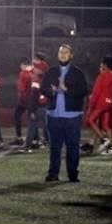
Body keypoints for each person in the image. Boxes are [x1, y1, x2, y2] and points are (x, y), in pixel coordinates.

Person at [40, 44, 88, 183]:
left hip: (72, 117)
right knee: (55, 147)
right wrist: (53, 91)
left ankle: (73, 174)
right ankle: (53, 173)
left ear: (71, 55)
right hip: (53, 116)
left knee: (72, 147)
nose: (63, 54)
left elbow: (83, 91)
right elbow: (43, 89)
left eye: (66, 52)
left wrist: (66, 89)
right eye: (61, 52)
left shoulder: (78, 73)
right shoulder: (51, 71)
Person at [87, 55, 112, 155]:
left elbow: (96, 92)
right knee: (107, 125)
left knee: (91, 120)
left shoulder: (103, 76)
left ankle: (104, 140)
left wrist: (91, 106)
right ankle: (110, 147)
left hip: (102, 104)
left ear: (104, 65)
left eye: (101, 63)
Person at [23, 57, 50, 153]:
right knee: (48, 127)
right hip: (46, 106)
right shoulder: (48, 80)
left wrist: (31, 110)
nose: (35, 69)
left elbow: (33, 97)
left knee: (32, 127)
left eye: (37, 68)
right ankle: (54, 146)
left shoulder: (36, 80)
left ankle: (27, 146)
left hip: (38, 107)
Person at [13, 57, 32, 145]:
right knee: (32, 120)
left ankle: (19, 137)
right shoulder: (32, 73)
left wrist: (21, 97)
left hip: (25, 100)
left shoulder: (24, 74)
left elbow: (21, 88)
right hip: (31, 99)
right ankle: (35, 139)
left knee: (17, 116)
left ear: (23, 65)